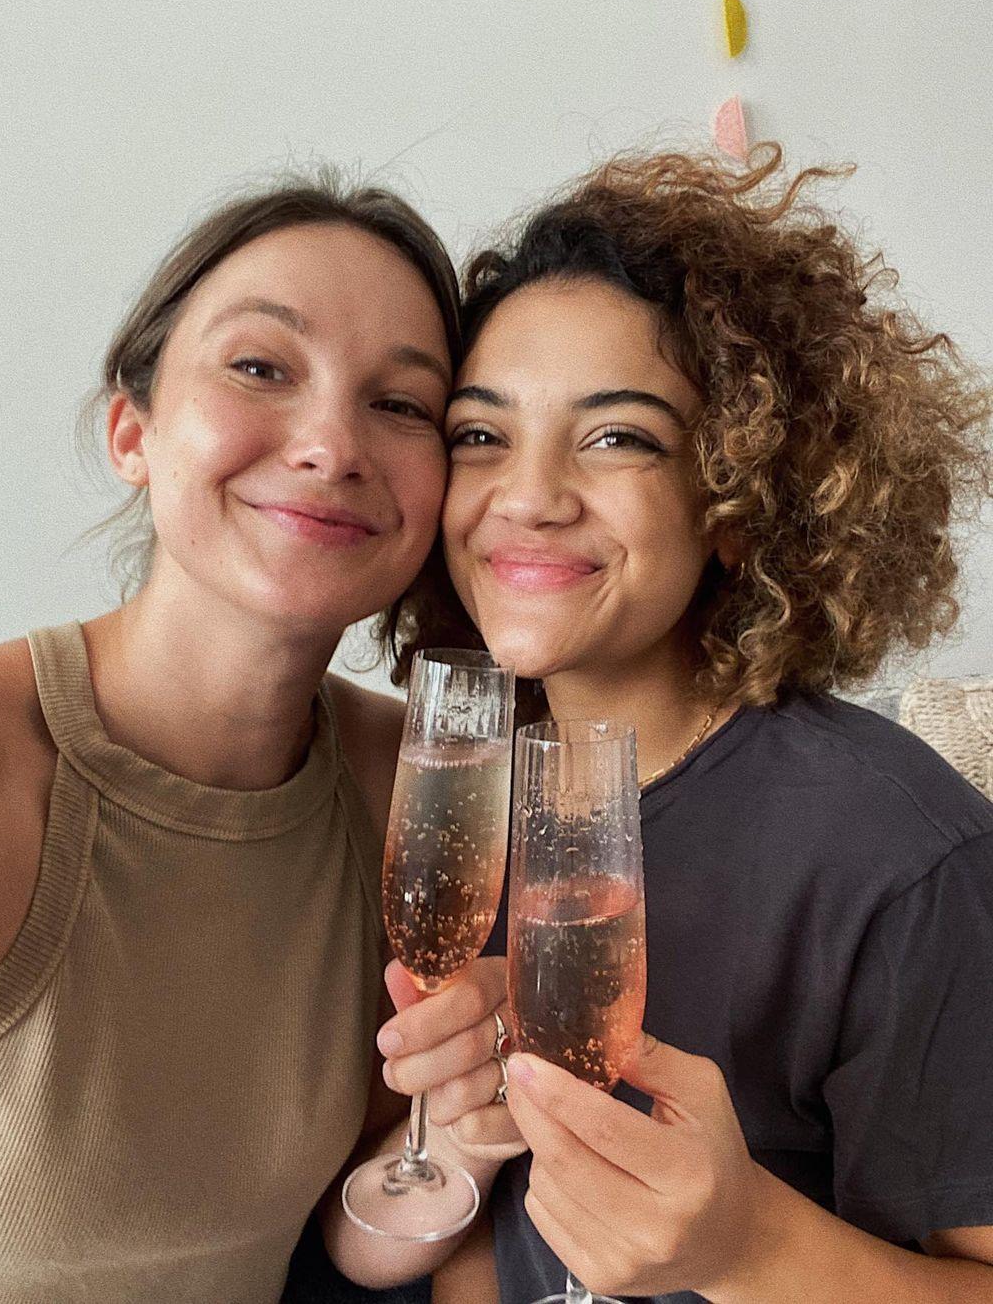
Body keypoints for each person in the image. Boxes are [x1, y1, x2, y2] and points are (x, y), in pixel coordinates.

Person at [377, 143, 993, 1302]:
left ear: (741, 499)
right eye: (480, 433)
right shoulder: (455, 794)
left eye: (619, 437)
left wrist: (752, 1249)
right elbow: (470, 1237)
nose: (530, 494)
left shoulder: (903, 859)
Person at [0, 173, 508, 1302]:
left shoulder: (417, 786)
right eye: (260, 368)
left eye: (401, 405)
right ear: (132, 431)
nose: (333, 444)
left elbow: (361, 1225)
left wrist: (466, 1132)